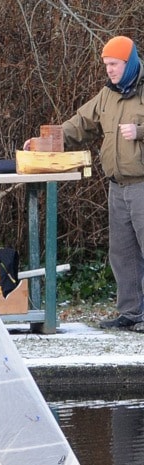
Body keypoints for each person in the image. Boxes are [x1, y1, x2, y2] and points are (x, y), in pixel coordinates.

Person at [24, 36, 144, 331]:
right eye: (106, 65)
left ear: (129, 63)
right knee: (122, 253)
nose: (109, 71)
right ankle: (132, 313)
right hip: (117, 187)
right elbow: (80, 124)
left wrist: (140, 130)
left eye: (114, 65)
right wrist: (44, 143)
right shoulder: (108, 95)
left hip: (142, 185)